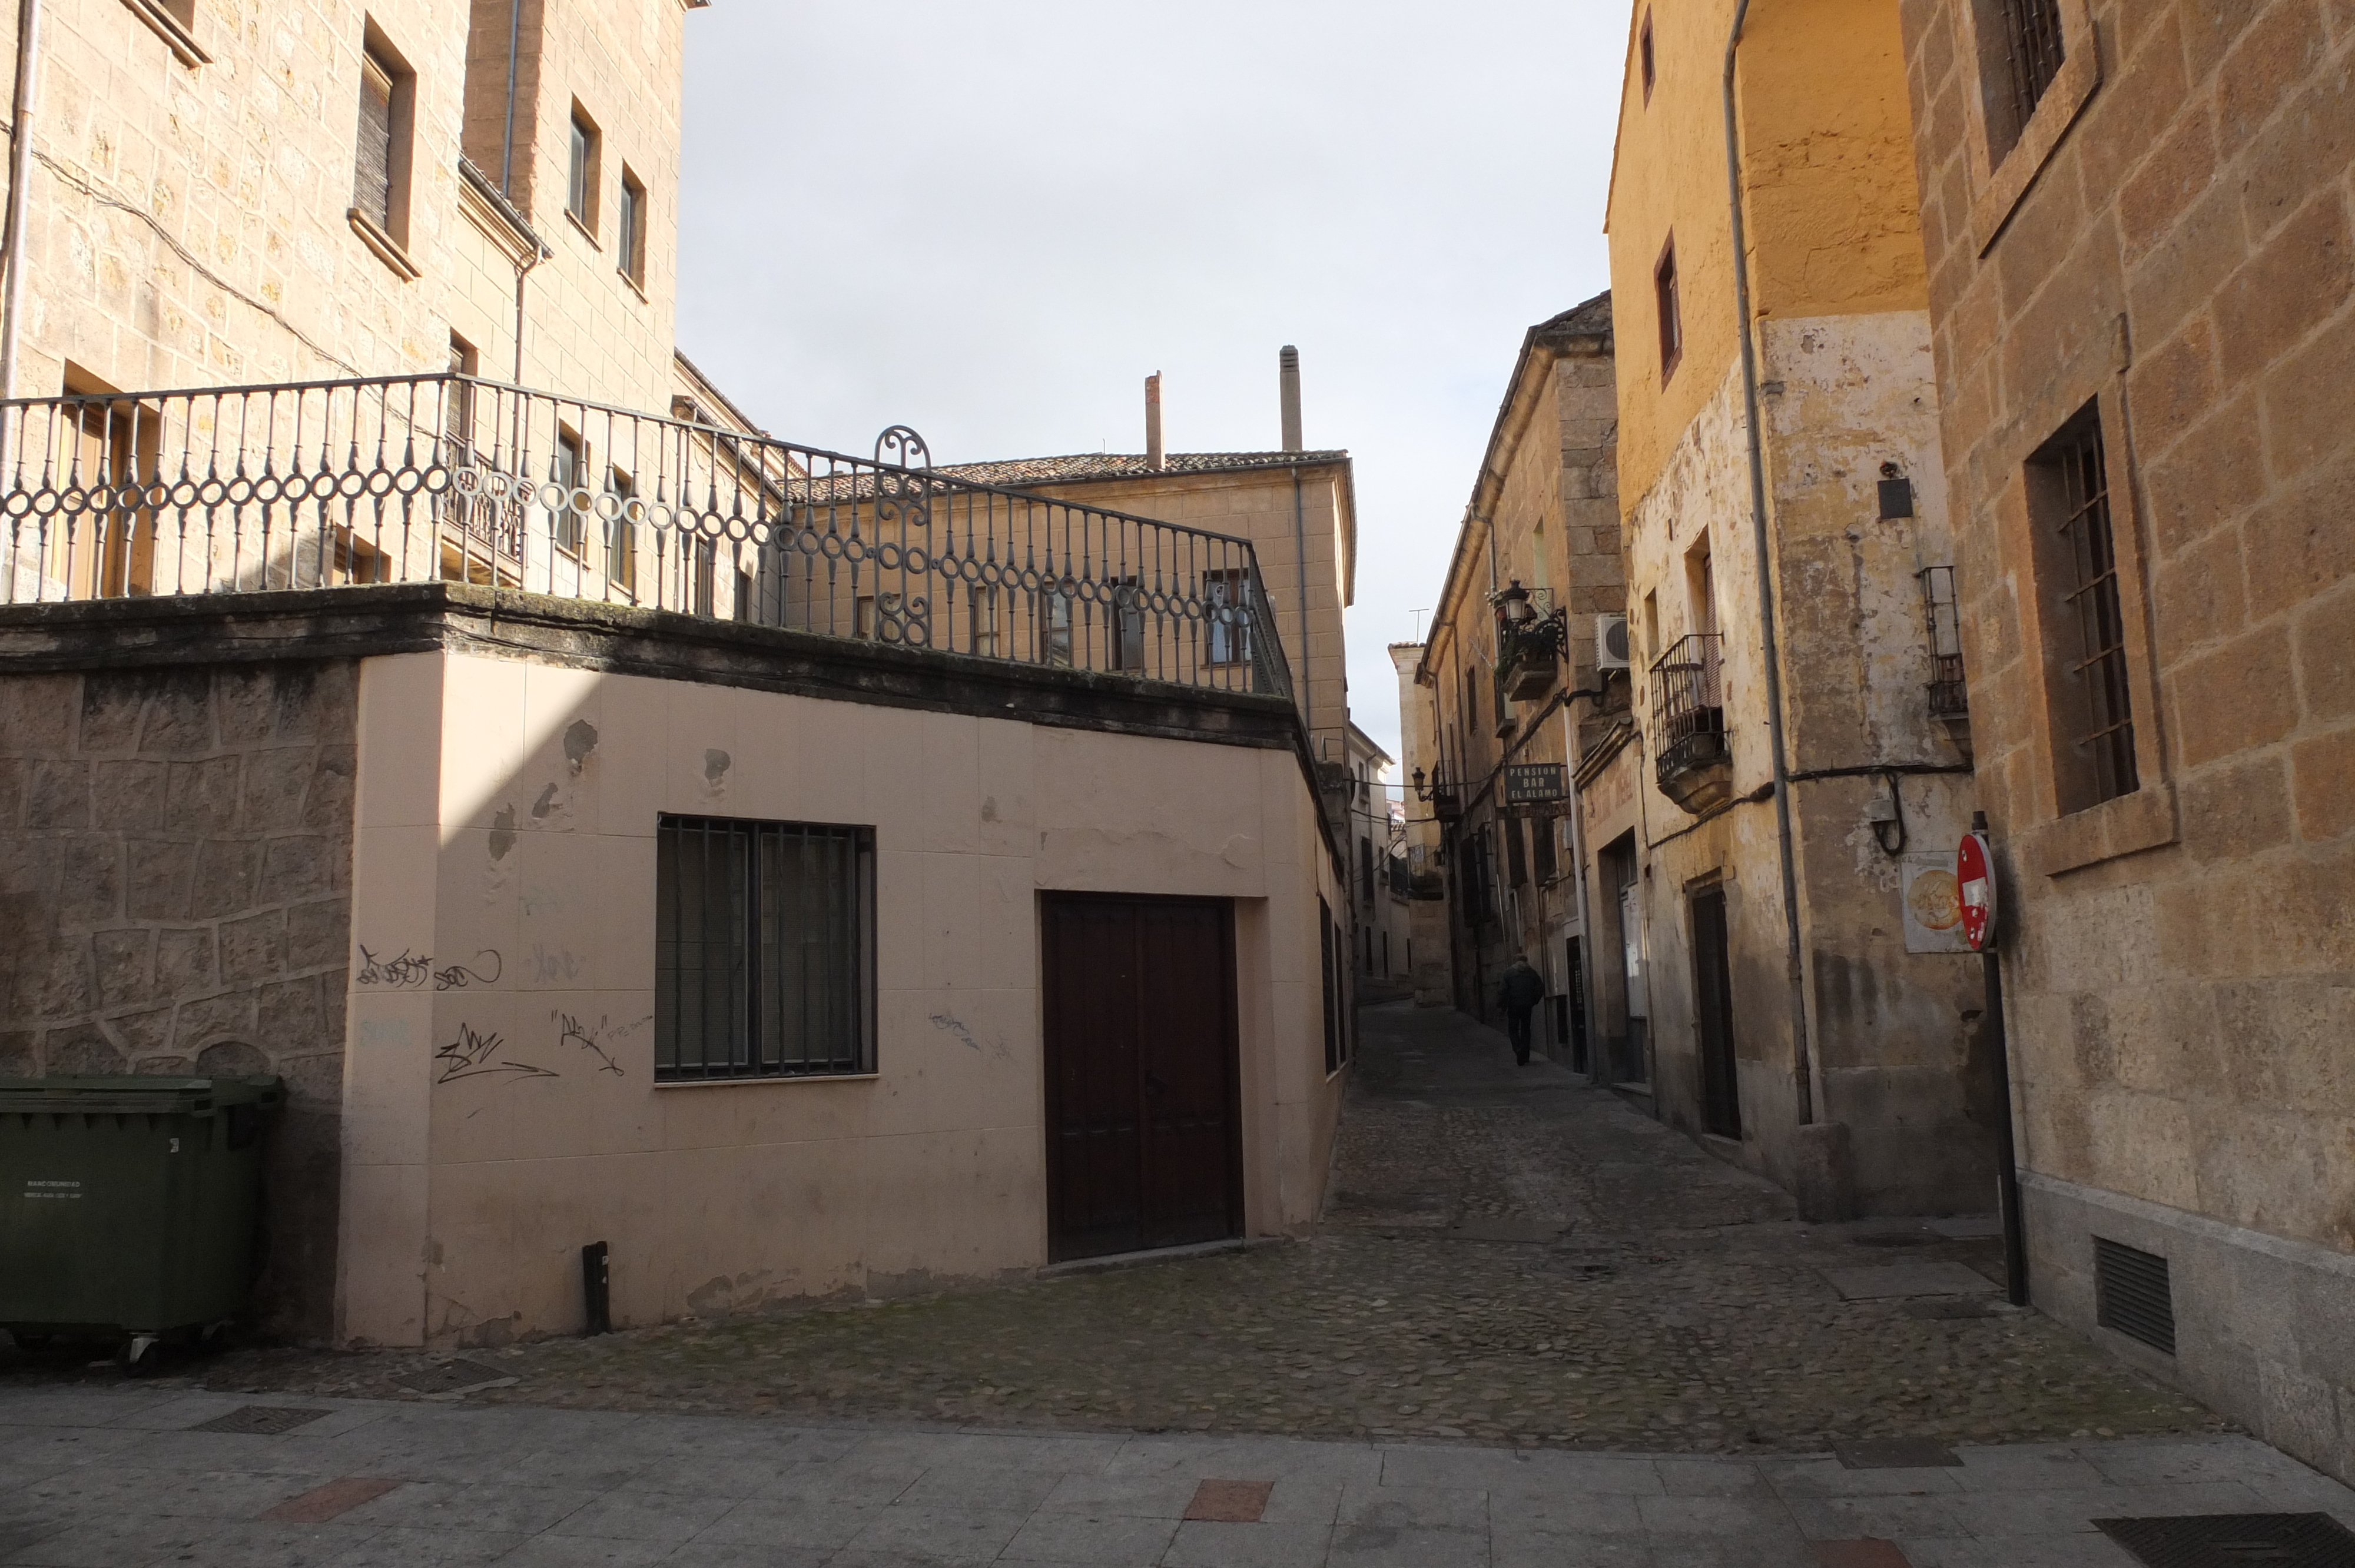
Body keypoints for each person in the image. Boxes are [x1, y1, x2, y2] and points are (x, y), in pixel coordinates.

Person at [1497, 954, 1545, 1066]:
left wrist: (1501, 1007)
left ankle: (1518, 1048)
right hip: (1527, 1005)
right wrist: (1534, 1000)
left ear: (1515, 961)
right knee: (1526, 1030)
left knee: (1513, 1029)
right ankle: (1525, 1055)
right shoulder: (1532, 973)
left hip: (1513, 1005)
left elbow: (1503, 991)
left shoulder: (1508, 973)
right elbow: (1540, 988)